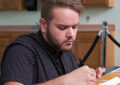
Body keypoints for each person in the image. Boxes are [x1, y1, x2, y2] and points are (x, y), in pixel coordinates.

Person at [0, 0, 105, 85]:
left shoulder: (64, 48)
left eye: (74, 27)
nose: (71, 34)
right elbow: (69, 81)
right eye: (62, 27)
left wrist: (90, 77)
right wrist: (66, 81)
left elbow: (75, 80)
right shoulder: (20, 51)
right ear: (43, 25)